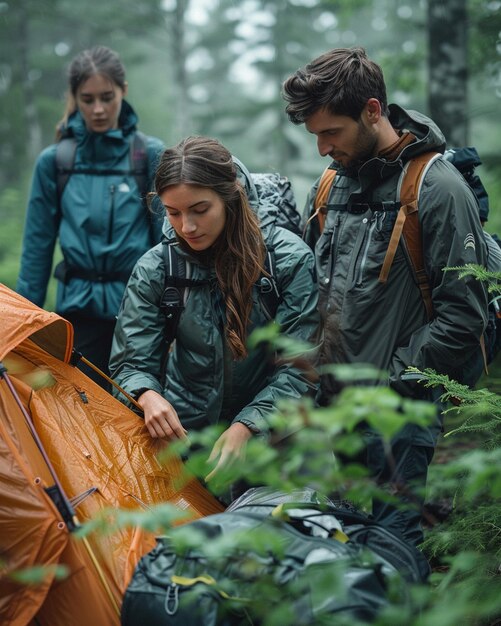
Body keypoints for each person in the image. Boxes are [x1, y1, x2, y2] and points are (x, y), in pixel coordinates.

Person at [282, 47, 488, 547]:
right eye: (316, 136)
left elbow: (465, 314)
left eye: (331, 133)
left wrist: (391, 384)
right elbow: (319, 294)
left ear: (372, 111)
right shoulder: (330, 186)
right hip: (338, 406)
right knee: (350, 538)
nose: (322, 149)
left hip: (399, 410)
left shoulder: (437, 188)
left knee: (393, 543)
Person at [109, 136, 320, 485]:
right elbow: (131, 362)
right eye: (173, 213)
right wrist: (146, 395)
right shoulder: (158, 267)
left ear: (230, 196)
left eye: (199, 209)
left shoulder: (287, 260)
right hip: (185, 444)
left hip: (275, 445)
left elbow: (302, 368)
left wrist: (247, 426)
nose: (186, 226)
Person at [16, 46, 165, 387]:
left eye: (107, 97)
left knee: (137, 416)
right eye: (87, 99)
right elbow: (37, 250)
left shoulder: (149, 155)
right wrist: (23, 327)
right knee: (83, 419)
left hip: (139, 314)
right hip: (76, 318)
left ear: (123, 91)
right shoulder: (54, 162)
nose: (98, 109)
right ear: (74, 98)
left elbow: (166, 243)